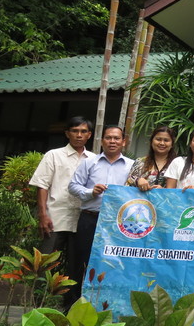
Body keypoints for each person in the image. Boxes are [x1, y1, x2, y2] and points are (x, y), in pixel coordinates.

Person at [67, 125, 133, 303]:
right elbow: (73, 186)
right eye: (108, 138)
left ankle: (107, 302)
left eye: (116, 138)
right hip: (90, 219)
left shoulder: (131, 166)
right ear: (102, 140)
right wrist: (91, 192)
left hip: (117, 225)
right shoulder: (89, 162)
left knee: (113, 262)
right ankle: (76, 303)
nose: (112, 141)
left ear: (123, 141)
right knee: (84, 261)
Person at [29, 117, 95, 255]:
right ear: (67, 133)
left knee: (76, 265)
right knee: (45, 262)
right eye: (75, 131)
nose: (79, 135)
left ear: (89, 135)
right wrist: (42, 215)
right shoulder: (53, 155)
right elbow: (42, 185)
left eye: (83, 131)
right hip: (55, 218)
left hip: (81, 220)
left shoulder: (94, 159)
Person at [126, 126, 176, 191]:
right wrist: (138, 181)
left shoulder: (176, 164)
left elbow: (180, 189)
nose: (162, 143)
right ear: (151, 141)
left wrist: (164, 191)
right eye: (158, 139)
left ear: (172, 144)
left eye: (166, 140)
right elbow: (127, 185)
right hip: (141, 200)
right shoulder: (141, 162)